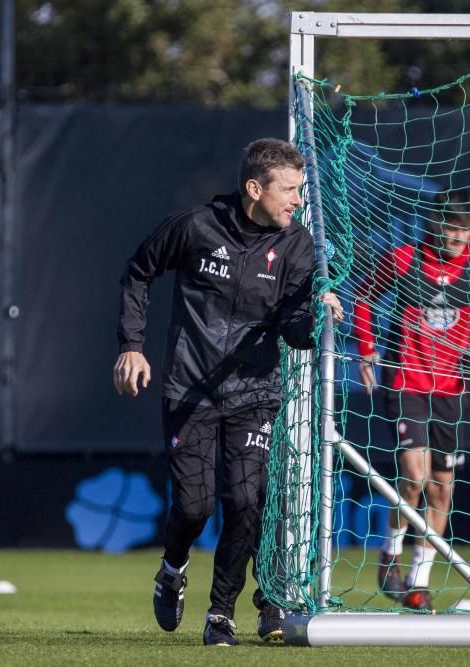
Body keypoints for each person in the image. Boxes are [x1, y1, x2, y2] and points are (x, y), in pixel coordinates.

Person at [114, 137, 343, 646]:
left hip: (255, 392)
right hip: (189, 389)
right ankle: (172, 570)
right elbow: (138, 271)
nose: (298, 200)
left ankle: (222, 613)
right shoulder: (196, 227)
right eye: (289, 189)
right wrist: (131, 345)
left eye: (300, 190)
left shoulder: (297, 246)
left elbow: (292, 327)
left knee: (244, 499)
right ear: (253, 188)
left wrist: (314, 315)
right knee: (194, 508)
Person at [353, 189, 470, 612]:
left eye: (464, 230)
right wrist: (367, 349)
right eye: (451, 228)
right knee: (414, 476)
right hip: (406, 381)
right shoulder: (404, 258)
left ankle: (417, 580)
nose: (457, 237)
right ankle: (389, 555)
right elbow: (364, 298)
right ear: (434, 224)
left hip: (451, 389)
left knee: (442, 492)